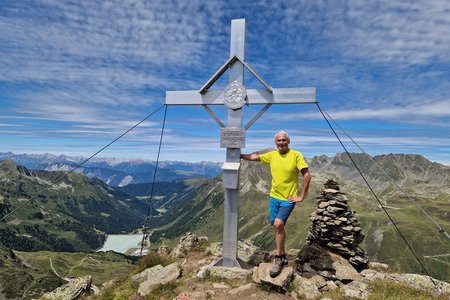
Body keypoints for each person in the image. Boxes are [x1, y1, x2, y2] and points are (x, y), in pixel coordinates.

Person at [240, 130, 311, 277]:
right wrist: (239, 155)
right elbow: (255, 157)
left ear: (288, 141)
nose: (281, 143)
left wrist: (302, 196)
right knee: (276, 225)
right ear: (275, 142)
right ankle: (283, 253)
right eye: (279, 140)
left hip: (287, 199)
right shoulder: (272, 155)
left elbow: (307, 175)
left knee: (279, 224)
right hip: (274, 197)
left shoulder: (296, 155)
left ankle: (279, 258)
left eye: (284, 140)